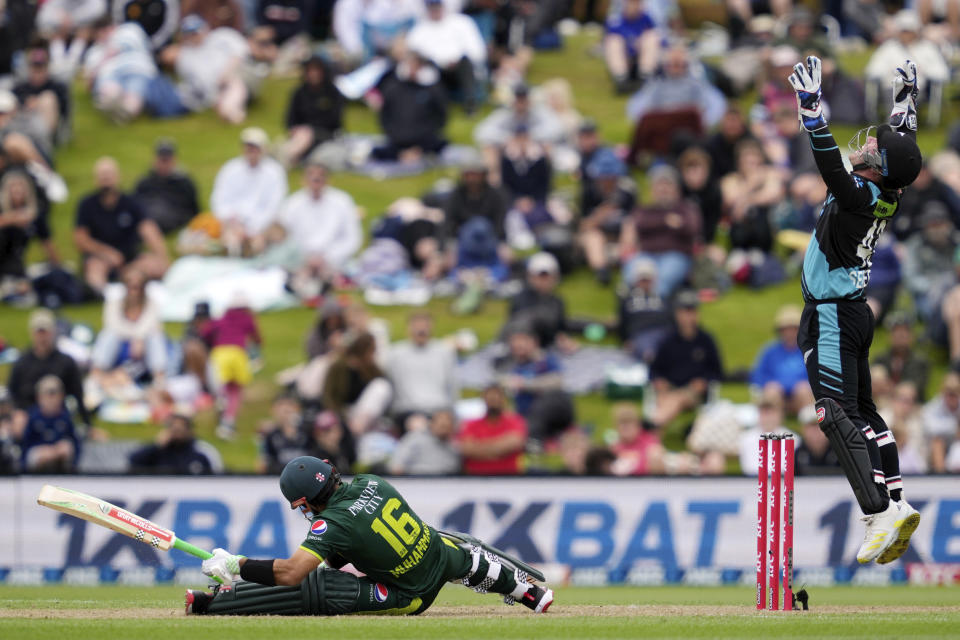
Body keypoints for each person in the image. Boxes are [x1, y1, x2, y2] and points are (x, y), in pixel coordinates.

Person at [789, 55, 923, 564]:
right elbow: (901, 143)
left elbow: (829, 166)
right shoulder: (888, 188)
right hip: (853, 314)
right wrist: (905, 98)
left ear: (878, 168)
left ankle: (877, 512)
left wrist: (812, 111)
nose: (866, 144)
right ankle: (896, 498)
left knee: (832, 412)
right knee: (863, 411)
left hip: (829, 315)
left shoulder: (859, 194)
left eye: (872, 148)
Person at [187, 456, 554, 615]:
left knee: (322, 587)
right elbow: (346, 549)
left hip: (410, 595)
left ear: (305, 502)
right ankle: (528, 592)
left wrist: (239, 564)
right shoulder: (370, 481)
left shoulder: (330, 524)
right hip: (437, 554)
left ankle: (213, 602)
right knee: (464, 556)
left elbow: (290, 573)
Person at [74, 156, 169, 293]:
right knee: (95, 267)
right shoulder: (87, 205)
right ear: (96, 179)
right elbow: (81, 240)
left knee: (154, 265)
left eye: (109, 175)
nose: (106, 179)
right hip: (100, 259)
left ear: (117, 177)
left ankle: (132, 283)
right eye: (102, 175)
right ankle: (102, 294)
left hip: (130, 261)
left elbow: (149, 230)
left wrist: (162, 257)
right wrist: (107, 253)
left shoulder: (131, 203)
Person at [277, 159, 362, 292]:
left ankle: (325, 282)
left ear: (328, 180)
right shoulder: (292, 204)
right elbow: (283, 237)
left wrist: (327, 257)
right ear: (304, 179)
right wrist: (305, 257)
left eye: (320, 176)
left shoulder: (342, 202)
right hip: (302, 260)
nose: (316, 179)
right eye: (311, 175)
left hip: (332, 259)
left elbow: (352, 238)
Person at [619, 164, 701, 299]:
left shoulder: (686, 208)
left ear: (676, 189)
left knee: (663, 279)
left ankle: (653, 307)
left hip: (676, 256)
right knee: (633, 274)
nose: (663, 189)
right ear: (653, 189)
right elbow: (640, 224)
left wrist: (675, 225)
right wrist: (666, 221)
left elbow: (692, 230)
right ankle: (633, 307)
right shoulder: (644, 209)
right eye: (659, 185)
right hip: (646, 254)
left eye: (668, 185)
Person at [647, 290, 722, 429]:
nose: (688, 316)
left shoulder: (706, 341)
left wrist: (704, 381)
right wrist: (659, 381)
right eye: (685, 311)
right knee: (667, 399)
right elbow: (654, 370)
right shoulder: (667, 340)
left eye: (692, 311)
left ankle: (653, 425)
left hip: (694, 392)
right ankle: (653, 438)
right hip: (669, 389)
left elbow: (717, 371)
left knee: (677, 398)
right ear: (677, 314)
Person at [210, 127, 288, 256]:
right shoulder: (230, 169)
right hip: (233, 224)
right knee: (229, 242)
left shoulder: (274, 172)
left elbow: (275, 206)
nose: (251, 151)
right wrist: (233, 222)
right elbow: (219, 201)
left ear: (263, 149)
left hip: (263, 226)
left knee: (260, 242)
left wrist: (254, 228)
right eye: (248, 147)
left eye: (255, 147)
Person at [6, 309, 91, 427]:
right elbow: (11, 393)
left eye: (45, 332)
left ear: (53, 332)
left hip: (57, 416)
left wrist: (88, 424)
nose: (42, 337)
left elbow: (78, 394)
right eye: (38, 332)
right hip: (27, 416)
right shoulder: (22, 362)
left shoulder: (65, 362)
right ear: (32, 333)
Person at [405, 0, 486, 114]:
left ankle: (471, 104)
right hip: (435, 69)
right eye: (431, 8)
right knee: (427, 66)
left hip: (461, 67)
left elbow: (477, 50)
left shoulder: (462, 22)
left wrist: (457, 60)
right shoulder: (419, 29)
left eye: (437, 7)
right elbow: (412, 53)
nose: (435, 11)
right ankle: (436, 105)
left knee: (465, 63)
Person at [201, 296, 262, 439]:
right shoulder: (247, 319)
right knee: (235, 390)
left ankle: (222, 402)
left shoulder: (220, 320)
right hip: (238, 353)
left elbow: (206, 333)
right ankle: (228, 420)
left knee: (221, 386)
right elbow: (257, 338)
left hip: (220, 354)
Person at [371, 51, 448, 163]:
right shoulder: (392, 87)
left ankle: (415, 153)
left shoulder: (433, 89)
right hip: (398, 138)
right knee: (380, 151)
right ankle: (404, 154)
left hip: (424, 138)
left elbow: (441, 116)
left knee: (440, 143)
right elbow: (384, 116)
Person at [386, 312, 458, 428]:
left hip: (439, 410)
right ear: (409, 328)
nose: (421, 330)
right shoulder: (395, 354)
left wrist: (452, 413)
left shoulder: (444, 352)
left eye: (425, 326)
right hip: (408, 411)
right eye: (417, 326)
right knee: (418, 425)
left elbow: (452, 387)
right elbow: (390, 385)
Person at [280, 54, 344, 167]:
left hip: (324, 134)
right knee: (301, 136)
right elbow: (290, 119)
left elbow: (335, 121)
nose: (313, 74)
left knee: (305, 135)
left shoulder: (333, 93)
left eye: (316, 70)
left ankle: (287, 157)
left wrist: (311, 129)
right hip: (300, 134)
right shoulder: (299, 93)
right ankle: (287, 156)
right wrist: (295, 129)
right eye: (310, 70)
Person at [750, 305, 814, 415]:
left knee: (803, 389)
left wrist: (795, 386)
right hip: (776, 397)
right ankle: (771, 426)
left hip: (801, 396)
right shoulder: (769, 351)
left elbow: (815, 377)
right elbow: (758, 376)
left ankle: (810, 423)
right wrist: (773, 385)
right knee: (772, 390)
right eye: (786, 329)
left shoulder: (810, 351)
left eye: (794, 329)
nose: (790, 333)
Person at [457, 383, 528, 475]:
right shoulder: (471, 424)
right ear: (483, 399)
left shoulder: (515, 421)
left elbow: (515, 442)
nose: (493, 400)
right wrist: (500, 450)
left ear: (504, 399)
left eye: (496, 397)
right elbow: (466, 449)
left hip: (509, 478)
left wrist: (479, 448)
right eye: (490, 397)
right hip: (475, 479)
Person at [506, 252, 572, 351]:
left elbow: (562, 325)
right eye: (540, 276)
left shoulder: (557, 301)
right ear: (530, 277)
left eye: (547, 276)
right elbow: (520, 326)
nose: (544, 280)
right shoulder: (520, 299)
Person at [133, 138, 200, 234]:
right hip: (149, 218)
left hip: (172, 219)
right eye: (162, 160)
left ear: (174, 160)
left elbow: (194, 210)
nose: (164, 164)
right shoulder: (144, 182)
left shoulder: (184, 182)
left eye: (167, 160)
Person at [19, 375, 80, 473]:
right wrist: (43, 451)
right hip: (39, 457)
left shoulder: (66, 417)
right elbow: (25, 446)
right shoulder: (32, 417)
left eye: (55, 394)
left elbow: (75, 443)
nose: (51, 399)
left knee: (67, 447)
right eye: (47, 394)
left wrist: (58, 450)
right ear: (39, 397)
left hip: (59, 458)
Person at [129, 414, 215, 475]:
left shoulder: (200, 450)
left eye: (181, 429)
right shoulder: (157, 451)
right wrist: (156, 445)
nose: (177, 433)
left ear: (189, 431)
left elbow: (215, 472)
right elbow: (134, 460)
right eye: (174, 429)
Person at [872, 312, 930, 399]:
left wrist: (889, 387)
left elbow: (916, 388)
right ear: (889, 336)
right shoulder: (879, 359)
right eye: (896, 331)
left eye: (904, 331)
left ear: (912, 336)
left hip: (911, 406)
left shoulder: (921, 362)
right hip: (882, 403)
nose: (900, 335)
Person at [388, 408, 460, 475]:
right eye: (442, 426)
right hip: (416, 480)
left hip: (447, 482)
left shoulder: (455, 445)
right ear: (432, 423)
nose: (444, 430)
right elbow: (396, 465)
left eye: (448, 426)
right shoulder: (415, 438)